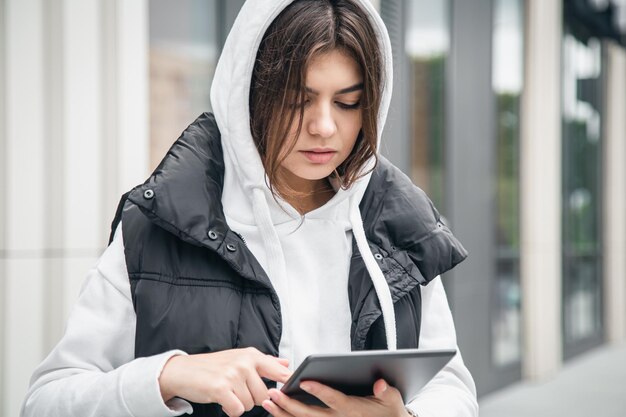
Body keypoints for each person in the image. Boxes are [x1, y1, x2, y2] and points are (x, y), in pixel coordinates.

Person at [21, 0, 478, 416]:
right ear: (250, 93)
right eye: (299, 100)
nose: (324, 126)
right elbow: (45, 401)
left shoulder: (397, 227)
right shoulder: (160, 224)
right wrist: (167, 378)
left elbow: (453, 390)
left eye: (348, 102)